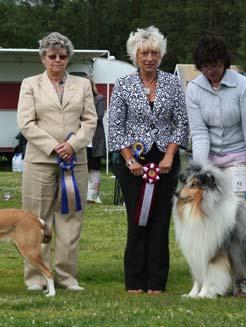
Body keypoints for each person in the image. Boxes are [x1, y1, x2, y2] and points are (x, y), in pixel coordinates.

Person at [108, 26, 189, 294]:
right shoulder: (123, 85)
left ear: (161, 55)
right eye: (144, 53)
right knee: (136, 220)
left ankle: (157, 282)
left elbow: (181, 123)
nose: (149, 58)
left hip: (165, 161)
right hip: (134, 163)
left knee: (160, 221)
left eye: (154, 52)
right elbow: (116, 126)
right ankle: (134, 281)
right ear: (135, 55)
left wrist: (169, 155)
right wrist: (129, 159)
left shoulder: (173, 83)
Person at [17, 32, 97, 292]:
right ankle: (37, 277)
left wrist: (72, 145)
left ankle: (66, 276)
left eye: (62, 56)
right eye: (52, 56)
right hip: (39, 161)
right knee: (35, 222)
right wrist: (54, 147)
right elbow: (26, 123)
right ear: (43, 58)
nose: (57, 61)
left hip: (76, 162)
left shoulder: (83, 85)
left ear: (68, 59)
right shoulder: (29, 84)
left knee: (70, 220)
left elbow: (90, 121)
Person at [186, 33, 246, 297]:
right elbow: (199, 133)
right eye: (206, 66)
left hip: (238, 158)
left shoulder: (243, 86)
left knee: (234, 223)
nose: (211, 71)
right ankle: (209, 275)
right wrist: (200, 170)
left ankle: (239, 279)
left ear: (224, 63)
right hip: (210, 162)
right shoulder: (194, 89)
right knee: (209, 225)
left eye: (216, 65)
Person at [86, 77, 107, 204]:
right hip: (82, 140)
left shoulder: (99, 99)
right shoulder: (78, 100)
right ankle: (86, 194)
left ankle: (94, 195)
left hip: (95, 140)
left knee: (94, 168)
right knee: (83, 168)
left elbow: (99, 116)